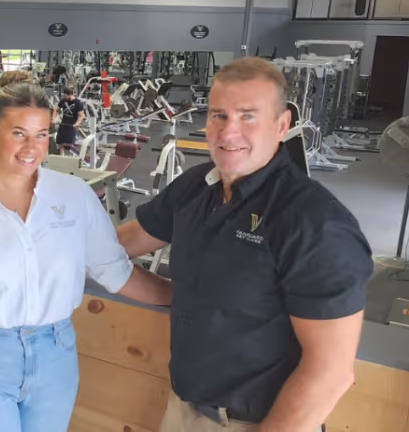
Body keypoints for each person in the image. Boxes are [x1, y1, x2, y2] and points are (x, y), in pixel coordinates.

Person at [117, 57, 373, 432]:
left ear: (281, 124)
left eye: (247, 116)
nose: (227, 132)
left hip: (262, 422)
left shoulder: (315, 223)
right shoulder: (194, 187)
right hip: (185, 410)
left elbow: (330, 374)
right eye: (218, 115)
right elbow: (125, 242)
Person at [0, 79, 172, 432]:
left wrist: (182, 296)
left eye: (41, 135)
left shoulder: (75, 196)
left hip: (55, 354)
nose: (31, 147)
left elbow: (116, 271)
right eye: (19, 133)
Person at [55, 87, 84, 155]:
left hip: (72, 125)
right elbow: (56, 109)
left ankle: (70, 158)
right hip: (63, 124)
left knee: (69, 145)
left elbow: (81, 116)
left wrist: (77, 123)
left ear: (70, 95)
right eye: (64, 95)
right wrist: (54, 118)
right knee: (60, 142)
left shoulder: (78, 103)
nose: (64, 97)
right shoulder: (63, 100)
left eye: (65, 96)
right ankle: (62, 157)